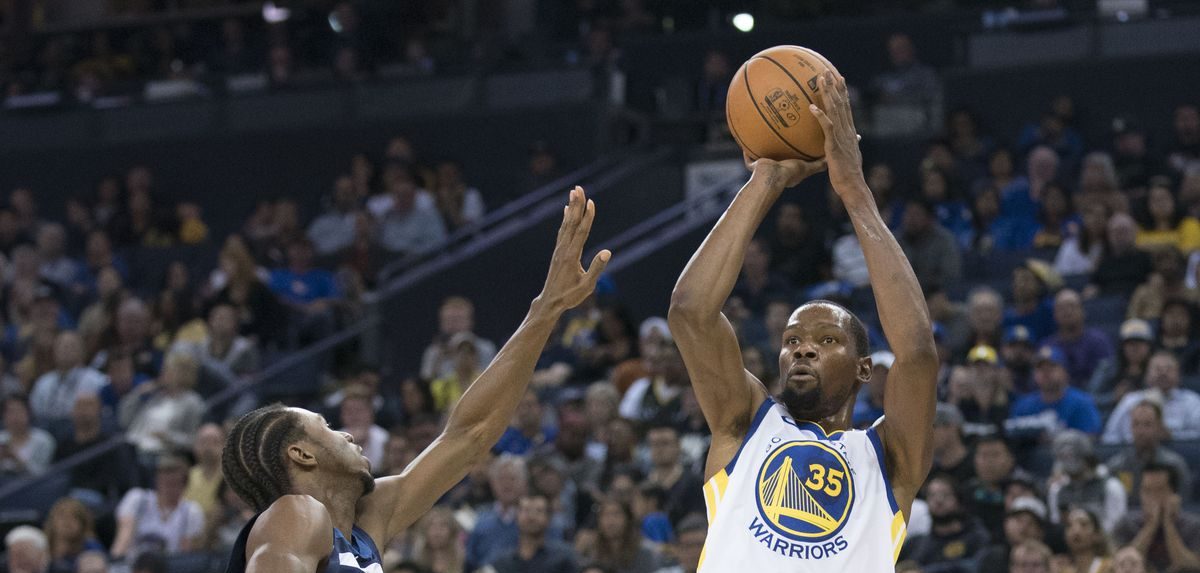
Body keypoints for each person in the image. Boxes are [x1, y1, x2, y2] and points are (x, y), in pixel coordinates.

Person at [221, 186, 611, 573]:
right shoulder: (296, 512)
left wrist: (546, 308)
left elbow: (470, 435)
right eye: (325, 427)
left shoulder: (364, 526)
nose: (347, 434)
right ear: (301, 455)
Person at [668, 72, 938, 570]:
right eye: (792, 340)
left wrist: (854, 191)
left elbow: (917, 350)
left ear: (863, 368)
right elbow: (690, 312)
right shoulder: (746, 422)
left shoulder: (888, 458)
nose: (803, 349)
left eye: (827, 339)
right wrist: (765, 181)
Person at [111, 456, 206, 560]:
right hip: (133, 564)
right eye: (164, 482)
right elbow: (124, 537)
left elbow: (186, 553)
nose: (168, 488)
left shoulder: (191, 511)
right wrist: (116, 562)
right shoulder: (137, 499)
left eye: (173, 483)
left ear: (184, 485)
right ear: (157, 481)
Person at [1111, 463, 1200, 572]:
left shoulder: (1194, 526)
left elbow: (1190, 567)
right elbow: (1126, 564)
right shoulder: (1126, 524)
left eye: (1159, 490)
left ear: (1174, 494)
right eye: (1147, 491)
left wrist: (1168, 524)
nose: (1152, 497)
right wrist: (1151, 525)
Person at [1105, 400, 1193, 505]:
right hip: (1127, 520)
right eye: (1136, 424)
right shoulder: (1116, 467)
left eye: (1147, 425)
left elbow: (1185, 505)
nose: (1140, 431)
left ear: (1159, 427)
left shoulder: (1174, 465)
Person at [1102, 351, 1200, 444]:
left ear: (1178, 375)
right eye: (1157, 369)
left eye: (1169, 369)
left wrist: (1171, 436)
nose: (1163, 373)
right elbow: (1109, 437)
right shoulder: (1130, 400)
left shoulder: (1192, 402)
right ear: (1147, 375)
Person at [1007, 345, 1102, 437]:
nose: (1045, 372)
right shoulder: (1023, 405)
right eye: (1040, 368)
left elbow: (1092, 438)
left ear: (1065, 372)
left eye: (1052, 367)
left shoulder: (1081, 403)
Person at [902, 475, 991, 572]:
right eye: (932, 495)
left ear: (958, 499)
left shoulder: (976, 536)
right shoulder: (917, 543)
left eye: (945, 495)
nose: (938, 500)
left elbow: (976, 565)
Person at [1044, 431, 1127, 533]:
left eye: (1071, 456)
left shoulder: (1110, 487)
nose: (1069, 463)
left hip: (1105, 543)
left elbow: (1116, 525)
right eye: (1063, 457)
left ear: (1086, 456)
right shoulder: (1057, 490)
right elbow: (1057, 525)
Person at [488, 493, 579, 573]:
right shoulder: (502, 563)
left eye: (538, 511)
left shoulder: (563, 558)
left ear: (549, 518)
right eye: (526, 510)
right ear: (516, 517)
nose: (531, 517)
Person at [1045, 289, 1114, 388]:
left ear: (1083, 311)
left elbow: (1108, 376)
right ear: (1054, 315)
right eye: (1061, 308)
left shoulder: (1099, 341)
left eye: (1071, 306)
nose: (1067, 312)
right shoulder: (1048, 346)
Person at [42, 497, 104, 573]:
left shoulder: (91, 547)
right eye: (62, 517)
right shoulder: (41, 545)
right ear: (52, 521)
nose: (67, 522)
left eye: (74, 518)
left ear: (83, 523)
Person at [0, 395, 55, 476]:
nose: (15, 417)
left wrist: (16, 459)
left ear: (29, 413)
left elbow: (41, 474)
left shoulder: (44, 440)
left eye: (19, 411)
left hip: (31, 486)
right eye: (10, 412)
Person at [1061, 506, 1113, 573]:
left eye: (1083, 524)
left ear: (1097, 534)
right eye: (1069, 525)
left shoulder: (1109, 567)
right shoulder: (1064, 570)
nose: (1076, 531)